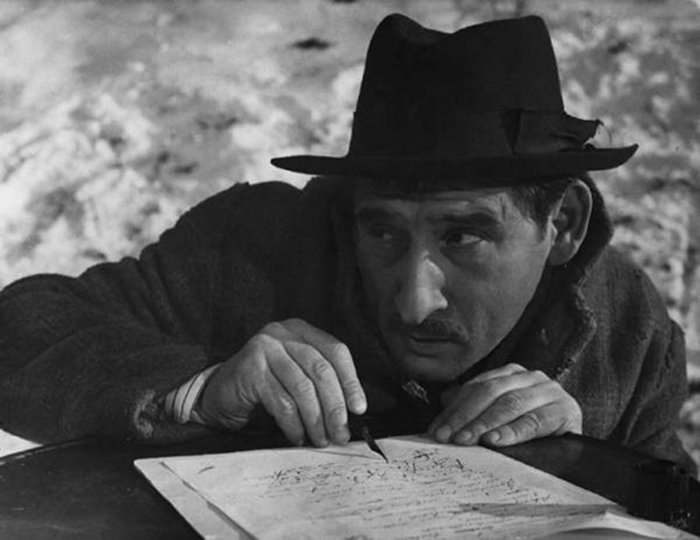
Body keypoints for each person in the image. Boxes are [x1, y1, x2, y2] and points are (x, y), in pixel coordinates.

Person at [0, 13, 693, 472]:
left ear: (562, 224)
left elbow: (673, 509)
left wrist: (590, 464)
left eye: (463, 236)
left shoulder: (630, 331)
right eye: (382, 231)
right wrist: (200, 388)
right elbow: (17, 330)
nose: (415, 302)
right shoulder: (251, 246)